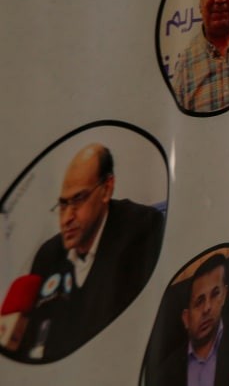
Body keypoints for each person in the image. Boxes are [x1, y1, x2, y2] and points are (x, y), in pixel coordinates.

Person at [19, 144, 164, 362]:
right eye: (63, 205)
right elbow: (34, 344)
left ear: (107, 189)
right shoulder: (47, 256)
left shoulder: (141, 229)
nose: (67, 218)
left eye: (78, 200)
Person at [157, 253, 229, 386]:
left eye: (215, 294)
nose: (207, 307)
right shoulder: (166, 372)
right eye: (199, 302)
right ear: (186, 318)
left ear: (224, 295)